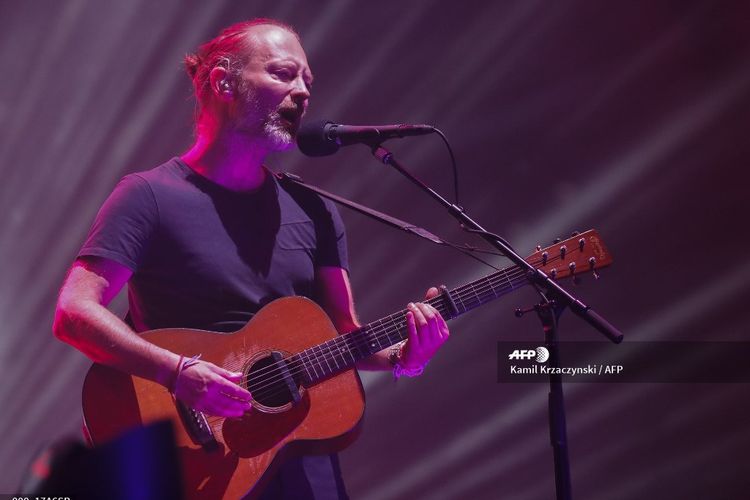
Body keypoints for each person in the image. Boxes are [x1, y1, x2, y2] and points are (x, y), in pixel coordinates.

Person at [53, 18, 449, 499]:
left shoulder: (315, 212)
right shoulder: (148, 197)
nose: (303, 92)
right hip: (197, 462)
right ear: (224, 82)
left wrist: (408, 357)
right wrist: (174, 372)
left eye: (308, 80)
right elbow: (75, 312)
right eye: (284, 74)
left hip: (301, 462)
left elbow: (346, 336)